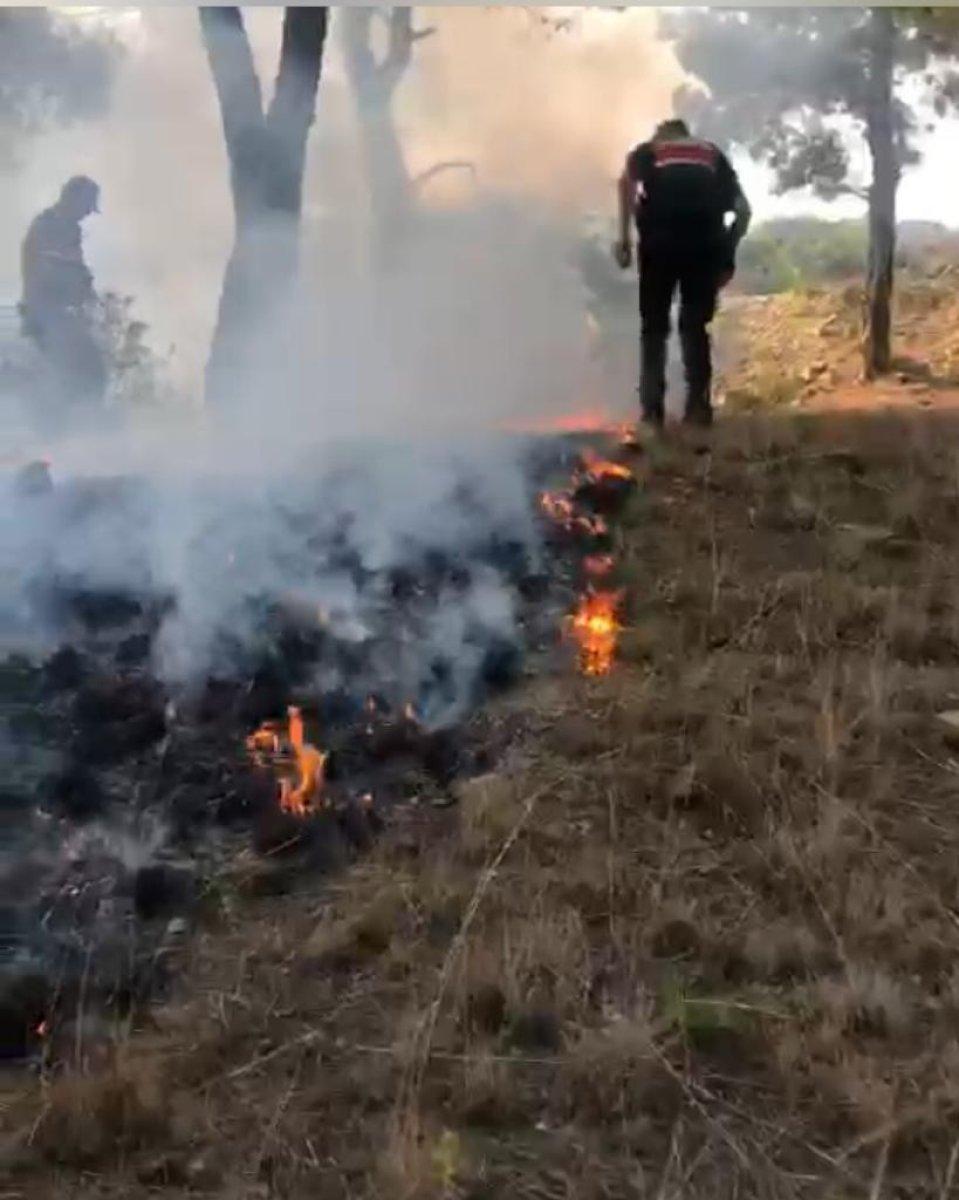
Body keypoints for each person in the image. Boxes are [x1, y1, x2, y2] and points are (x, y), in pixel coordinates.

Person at [613, 119, 751, 429]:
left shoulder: (650, 151)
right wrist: (726, 256)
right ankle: (699, 411)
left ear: (662, 134)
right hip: (705, 249)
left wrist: (624, 239)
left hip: (658, 247)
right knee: (693, 327)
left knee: (654, 330)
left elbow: (625, 185)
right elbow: (744, 211)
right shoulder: (712, 154)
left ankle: (652, 415)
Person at [20, 175, 107, 411]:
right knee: (78, 371)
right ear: (73, 199)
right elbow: (50, 267)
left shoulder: (69, 228)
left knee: (89, 371)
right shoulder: (48, 225)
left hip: (63, 315)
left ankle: (76, 421)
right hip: (48, 314)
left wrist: (87, 289)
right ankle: (61, 427)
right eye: (86, 206)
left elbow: (74, 269)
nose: (87, 213)